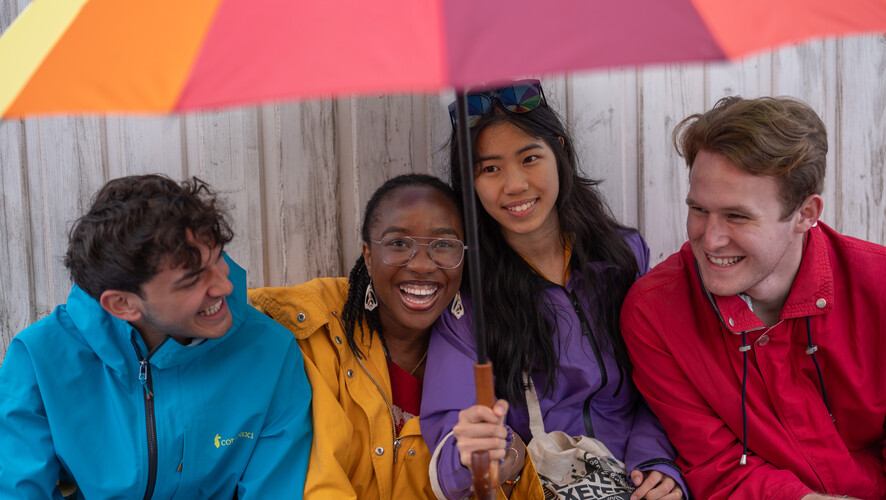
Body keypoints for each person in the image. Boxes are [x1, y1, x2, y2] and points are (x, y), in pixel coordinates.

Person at [620, 96, 886, 499]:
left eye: (737, 216)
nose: (709, 240)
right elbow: (717, 467)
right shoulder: (654, 311)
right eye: (698, 209)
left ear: (805, 214)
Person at [420, 80, 686, 500]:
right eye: (490, 169)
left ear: (559, 150)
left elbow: (662, 384)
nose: (515, 185)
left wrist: (658, 463)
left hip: (636, 481)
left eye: (530, 158)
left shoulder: (623, 258)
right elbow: (449, 434)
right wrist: (482, 453)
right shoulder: (467, 297)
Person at [0, 174, 313, 499]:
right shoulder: (38, 358)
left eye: (218, 257)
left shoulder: (271, 352)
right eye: (192, 280)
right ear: (123, 304)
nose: (225, 285)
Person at [249, 174, 522, 499]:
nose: (422, 265)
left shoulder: (487, 346)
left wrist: (511, 457)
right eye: (399, 244)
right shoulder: (316, 328)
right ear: (367, 255)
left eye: (443, 245)